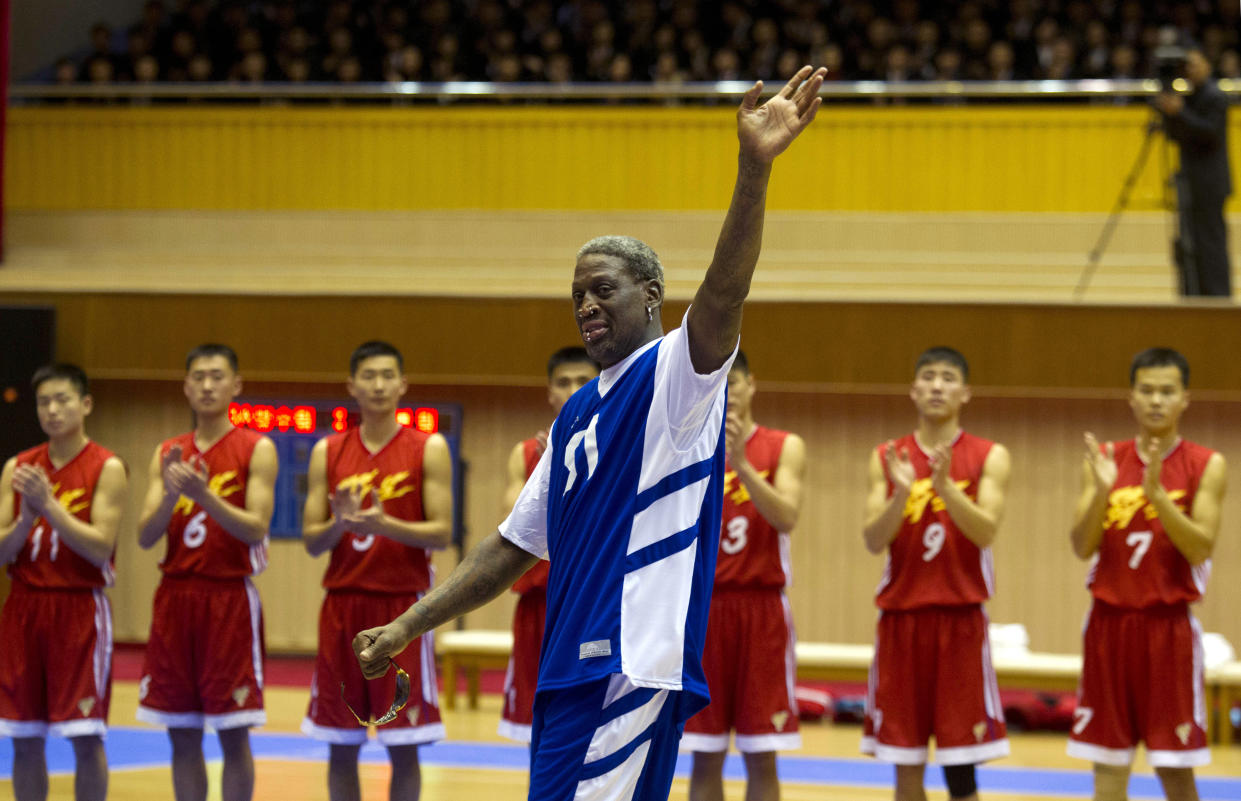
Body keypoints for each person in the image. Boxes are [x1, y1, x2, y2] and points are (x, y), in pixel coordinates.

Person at [354, 65, 825, 801]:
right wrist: (409, 624)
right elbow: (511, 546)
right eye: (576, 293)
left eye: (601, 288)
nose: (585, 304)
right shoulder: (575, 413)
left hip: (628, 662)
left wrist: (752, 167)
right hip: (566, 665)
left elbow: (725, 290)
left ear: (649, 295)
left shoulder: (675, 375)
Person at [1067, 347, 1227, 801]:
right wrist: (1101, 491)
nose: (1157, 400)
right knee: (1108, 770)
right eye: (1147, 390)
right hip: (1107, 627)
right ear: (1132, 398)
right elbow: (1081, 547)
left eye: (1167, 391)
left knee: (1175, 770)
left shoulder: (1205, 464)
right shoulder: (1103, 459)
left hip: (1167, 630)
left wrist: (1156, 495)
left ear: (1184, 399)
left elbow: (1200, 546)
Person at [300, 340, 455, 801]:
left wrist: (386, 523)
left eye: (388, 375)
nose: (379, 384)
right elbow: (311, 541)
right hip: (342, 608)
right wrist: (339, 524)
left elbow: (443, 533)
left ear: (403, 384)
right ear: (352, 386)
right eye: (369, 375)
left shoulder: (428, 448)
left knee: (403, 746)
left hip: (402, 610)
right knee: (340, 746)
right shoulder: (326, 450)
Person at [861, 346, 1011, 801]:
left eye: (948, 378)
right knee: (905, 764)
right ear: (913, 389)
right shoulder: (887, 455)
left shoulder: (990, 455)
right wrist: (902, 494)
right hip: (902, 624)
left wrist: (944, 487)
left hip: (960, 624)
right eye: (928, 376)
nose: (937, 385)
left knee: (961, 770)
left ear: (965, 392)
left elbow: (985, 531)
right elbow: (872, 539)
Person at [135, 344, 278, 801]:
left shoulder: (257, 447)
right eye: (198, 376)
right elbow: (143, 535)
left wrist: (206, 496)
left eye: (217, 376)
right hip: (175, 598)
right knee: (181, 732)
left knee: (233, 732)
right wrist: (172, 495)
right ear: (186, 387)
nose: (207, 385)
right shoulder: (168, 452)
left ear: (236, 385)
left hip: (227, 598)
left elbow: (255, 528)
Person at [683, 350, 807, 801]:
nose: (728, 392)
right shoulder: (687, 448)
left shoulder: (783, 446)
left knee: (762, 752)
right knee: (704, 752)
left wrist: (742, 463)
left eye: (735, 382)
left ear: (752, 385)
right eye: (719, 384)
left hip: (762, 611)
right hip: (704, 610)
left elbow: (787, 516)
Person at [0, 364, 128, 801]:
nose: (52, 410)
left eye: (62, 400)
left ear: (85, 404)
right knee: (23, 737)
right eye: (43, 402)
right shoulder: (17, 468)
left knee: (86, 735)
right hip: (23, 609)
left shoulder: (107, 467)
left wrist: (49, 507)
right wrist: (26, 518)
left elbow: (99, 546)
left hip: (79, 611)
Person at [498, 346, 599, 744]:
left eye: (583, 380)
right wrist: (549, 470)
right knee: (536, 730)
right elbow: (513, 531)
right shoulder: (526, 454)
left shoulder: (621, 447)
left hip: (592, 606)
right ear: (550, 392)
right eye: (564, 382)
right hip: (539, 606)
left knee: (592, 727)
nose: (573, 389)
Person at [1156, 48, 1233, 297]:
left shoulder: (1214, 96)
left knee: (1211, 243)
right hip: (1189, 181)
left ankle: (1218, 297)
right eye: (1187, 65)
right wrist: (1169, 112)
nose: (1191, 69)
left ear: (1208, 65)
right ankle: (1193, 293)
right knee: (1190, 243)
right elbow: (1175, 135)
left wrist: (1180, 113)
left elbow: (1209, 134)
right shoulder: (1189, 97)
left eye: (1195, 64)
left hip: (1210, 184)